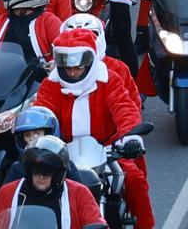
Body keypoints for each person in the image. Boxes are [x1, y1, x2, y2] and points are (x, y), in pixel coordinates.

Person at [33, 29, 155, 229]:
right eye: (67, 67)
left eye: (78, 68)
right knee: (31, 182)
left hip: (108, 150)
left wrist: (129, 137)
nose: (72, 72)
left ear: (90, 63)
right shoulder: (50, 85)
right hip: (63, 154)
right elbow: (43, 115)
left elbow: (125, 109)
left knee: (134, 180)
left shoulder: (110, 80)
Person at [0, 135, 104, 229]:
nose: (41, 176)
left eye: (47, 170)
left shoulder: (80, 193)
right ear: (29, 170)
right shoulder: (8, 192)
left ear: (58, 173)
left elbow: (95, 223)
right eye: (37, 170)